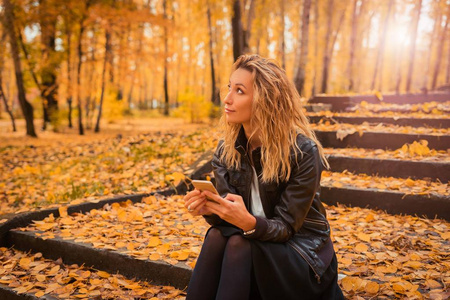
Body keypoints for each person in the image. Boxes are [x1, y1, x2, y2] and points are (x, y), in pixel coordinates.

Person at [183, 54, 344, 300]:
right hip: (252, 242)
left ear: (265, 100)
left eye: (239, 91)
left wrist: (248, 222)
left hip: (301, 253)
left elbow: (287, 228)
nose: (227, 99)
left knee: (239, 244)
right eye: (229, 88)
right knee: (217, 236)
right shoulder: (226, 150)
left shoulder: (303, 152)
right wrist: (211, 210)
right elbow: (229, 224)